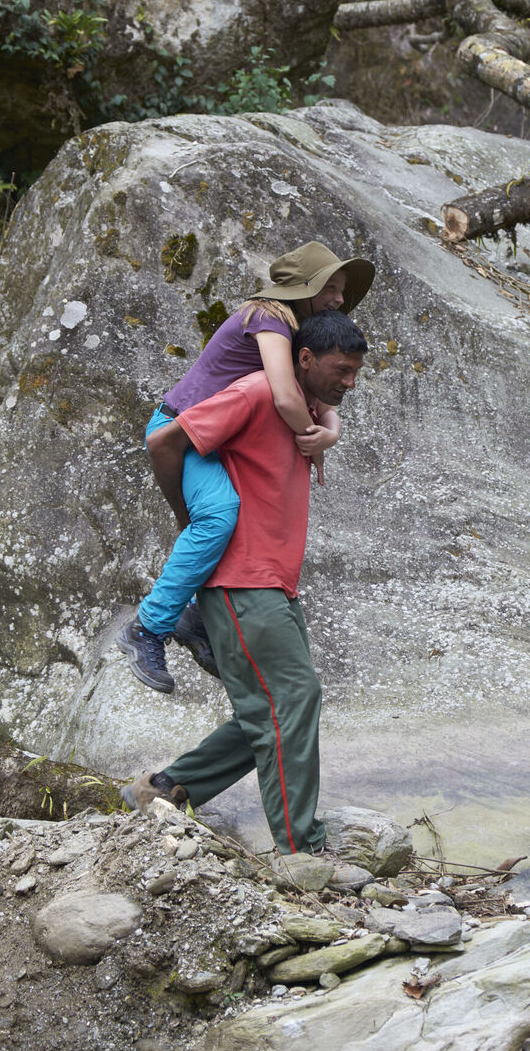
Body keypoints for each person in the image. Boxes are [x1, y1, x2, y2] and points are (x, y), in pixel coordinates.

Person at [122, 309, 368, 856]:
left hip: (274, 583)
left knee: (272, 709)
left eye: (355, 372)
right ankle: (300, 848)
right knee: (294, 697)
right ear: (303, 357)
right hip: (241, 581)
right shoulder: (258, 391)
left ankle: (166, 789)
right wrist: (190, 523)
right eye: (341, 369)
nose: (349, 381)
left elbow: (326, 417)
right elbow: (165, 442)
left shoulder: (306, 409)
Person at [118, 241, 374, 694]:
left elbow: (318, 393)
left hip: (218, 437)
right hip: (184, 428)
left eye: (341, 289)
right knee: (218, 516)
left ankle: (196, 617)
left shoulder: (298, 332)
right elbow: (282, 392)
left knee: (239, 525)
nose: (339, 297)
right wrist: (310, 440)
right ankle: (148, 628)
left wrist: (329, 430)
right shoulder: (268, 316)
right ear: (302, 287)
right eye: (330, 287)